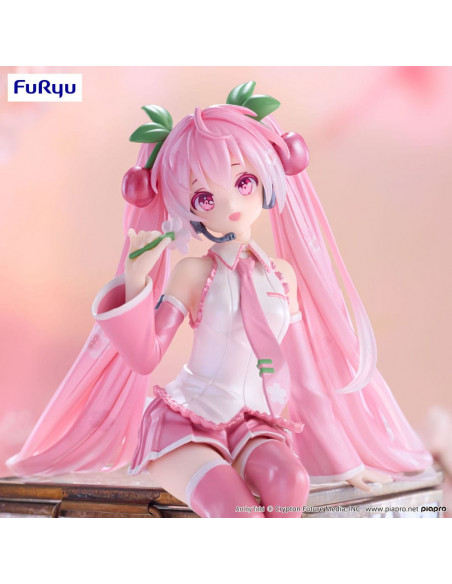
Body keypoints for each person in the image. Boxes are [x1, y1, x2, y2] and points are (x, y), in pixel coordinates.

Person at [6, 82, 433, 518]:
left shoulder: (281, 277)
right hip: (187, 423)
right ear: (188, 208)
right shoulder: (193, 272)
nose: (230, 204)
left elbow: (305, 381)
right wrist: (135, 283)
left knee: (291, 482)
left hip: (254, 426)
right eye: (205, 197)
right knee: (235, 510)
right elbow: (145, 356)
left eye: (243, 181)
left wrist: (347, 463)